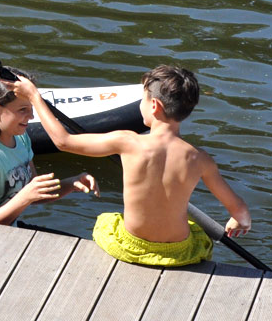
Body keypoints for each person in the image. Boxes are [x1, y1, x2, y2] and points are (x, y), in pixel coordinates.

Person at [13, 65, 252, 266]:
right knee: (198, 235)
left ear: (154, 106)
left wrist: (34, 96)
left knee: (106, 220)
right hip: (178, 253)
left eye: (142, 99)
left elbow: (63, 141)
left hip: (131, 246)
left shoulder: (128, 141)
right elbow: (239, 209)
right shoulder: (200, 159)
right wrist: (238, 221)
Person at [0, 66, 99, 227]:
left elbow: (35, 192)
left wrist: (71, 183)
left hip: (5, 230)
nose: (31, 116)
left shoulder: (21, 138)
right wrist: (25, 197)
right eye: (23, 110)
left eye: (31, 108)